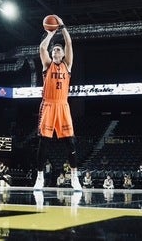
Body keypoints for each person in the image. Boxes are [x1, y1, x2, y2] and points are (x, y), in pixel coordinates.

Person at [33, 16, 82, 191]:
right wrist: (50, 33)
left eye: (58, 50)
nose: (55, 52)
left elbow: (69, 43)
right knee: (44, 143)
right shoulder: (47, 65)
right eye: (53, 50)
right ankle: (39, 178)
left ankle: (75, 178)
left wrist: (62, 27)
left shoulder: (67, 65)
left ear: (62, 54)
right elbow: (42, 48)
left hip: (63, 106)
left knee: (70, 142)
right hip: (48, 105)